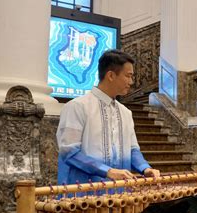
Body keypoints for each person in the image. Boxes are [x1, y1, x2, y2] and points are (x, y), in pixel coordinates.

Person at [57, 49, 160, 186]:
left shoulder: (126, 112)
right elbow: (69, 152)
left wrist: (145, 168)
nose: (131, 82)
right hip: (83, 194)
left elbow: (132, 149)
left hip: (119, 194)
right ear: (111, 75)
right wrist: (107, 171)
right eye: (128, 76)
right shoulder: (77, 106)